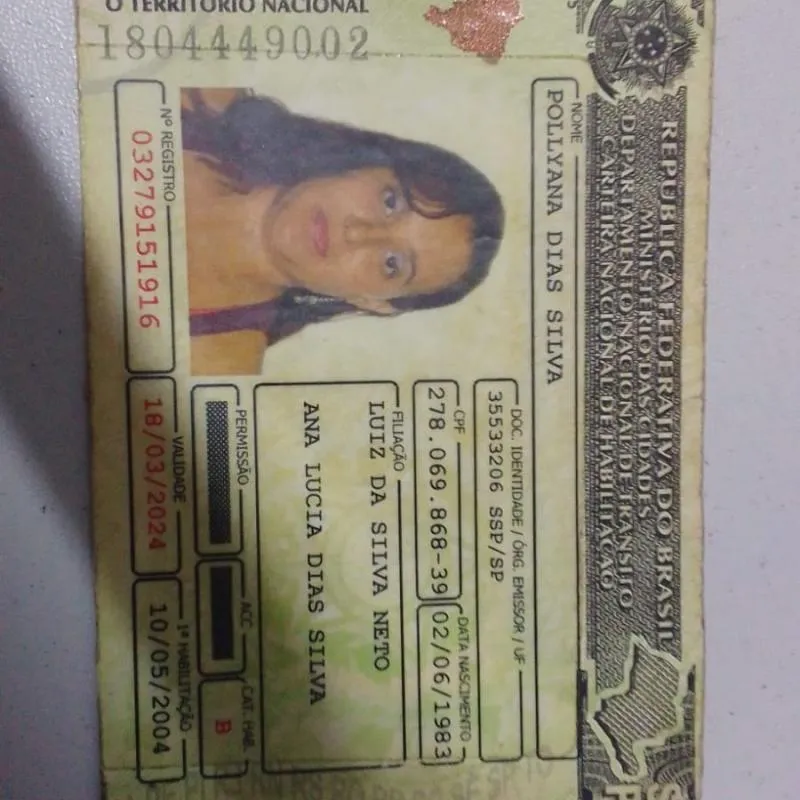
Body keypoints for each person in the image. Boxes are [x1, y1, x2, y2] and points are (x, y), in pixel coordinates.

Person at [181, 88, 505, 375]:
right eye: (390, 202)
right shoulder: (203, 99)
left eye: (391, 263)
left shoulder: (218, 366)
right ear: (365, 163)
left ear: (372, 302)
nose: (359, 234)